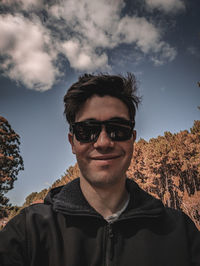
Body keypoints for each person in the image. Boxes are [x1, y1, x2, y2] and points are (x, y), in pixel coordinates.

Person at [0, 73, 200, 266]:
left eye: (118, 128)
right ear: (72, 142)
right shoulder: (26, 233)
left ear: (132, 138)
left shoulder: (182, 234)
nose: (104, 142)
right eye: (87, 131)